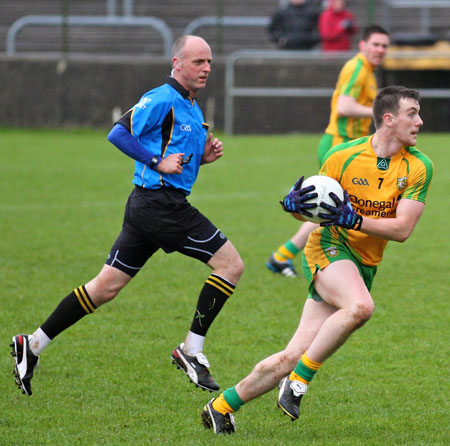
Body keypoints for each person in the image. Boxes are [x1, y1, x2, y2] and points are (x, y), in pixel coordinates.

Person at [10, 35, 244, 397]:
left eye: (209, 62)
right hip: (160, 206)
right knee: (230, 265)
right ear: (177, 63)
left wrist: (203, 158)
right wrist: (155, 162)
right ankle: (191, 350)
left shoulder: (191, 105)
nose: (207, 69)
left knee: (105, 287)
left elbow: (175, 156)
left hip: (148, 206)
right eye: (198, 62)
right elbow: (118, 132)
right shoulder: (162, 97)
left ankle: (34, 343)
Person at [201, 86, 433, 434]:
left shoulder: (419, 167)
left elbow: (402, 230)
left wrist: (353, 219)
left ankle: (221, 406)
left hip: (363, 264)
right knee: (360, 307)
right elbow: (318, 213)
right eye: (412, 113)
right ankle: (299, 382)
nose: (420, 121)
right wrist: (294, 208)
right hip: (330, 247)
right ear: (388, 119)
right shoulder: (342, 156)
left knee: (290, 356)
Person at [267, 25, 390, 278]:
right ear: (362, 45)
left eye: (384, 46)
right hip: (339, 145)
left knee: (334, 205)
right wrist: (382, 114)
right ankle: (291, 256)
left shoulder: (367, 71)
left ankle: (283, 256)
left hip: (348, 145)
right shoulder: (357, 69)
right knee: (329, 205)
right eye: (375, 44)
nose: (380, 50)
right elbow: (344, 106)